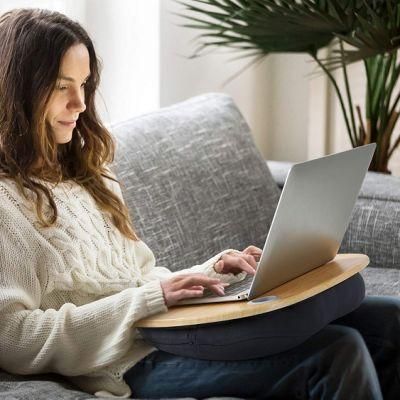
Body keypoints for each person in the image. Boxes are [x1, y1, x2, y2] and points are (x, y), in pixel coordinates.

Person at [0, 8, 398, 400]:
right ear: (16, 91)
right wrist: (151, 299)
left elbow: (139, 276)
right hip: (128, 364)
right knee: (335, 352)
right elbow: (13, 337)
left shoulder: (91, 173)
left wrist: (211, 273)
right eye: (60, 86)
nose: (81, 103)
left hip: (173, 331)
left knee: (389, 319)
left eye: (85, 84)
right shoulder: (6, 205)